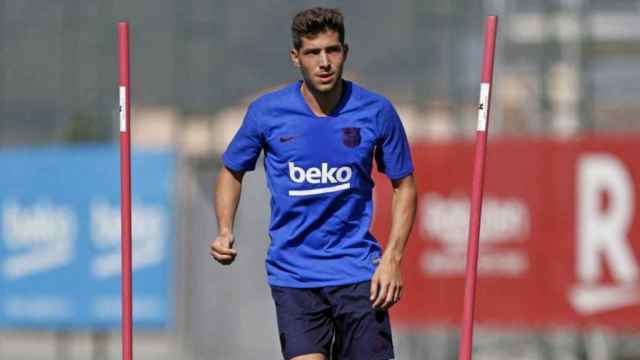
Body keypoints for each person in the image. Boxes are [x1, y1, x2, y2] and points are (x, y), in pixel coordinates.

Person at [210, 7, 417, 360]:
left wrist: (393, 259)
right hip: (294, 276)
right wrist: (225, 229)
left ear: (344, 53)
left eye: (332, 51)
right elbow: (232, 172)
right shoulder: (267, 112)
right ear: (296, 57)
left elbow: (405, 187)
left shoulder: (376, 111)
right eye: (313, 53)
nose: (324, 62)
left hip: (358, 274)